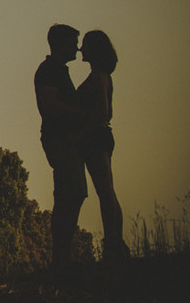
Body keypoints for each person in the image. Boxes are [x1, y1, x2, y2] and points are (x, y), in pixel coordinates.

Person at [34, 23, 87, 271]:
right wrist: (79, 113)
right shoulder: (49, 70)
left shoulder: (58, 70)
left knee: (72, 193)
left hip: (65, 139)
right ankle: (62, 257)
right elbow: (50, 105)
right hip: (59, 139)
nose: (77, 48)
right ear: (61, 43)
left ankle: (63, 255)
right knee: (70, 192)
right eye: (72, 42)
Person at [76, 29, 130, 262]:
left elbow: (103, 112)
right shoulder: (102, 77)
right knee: (107, 191)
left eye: (85, 45)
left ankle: (113, 246)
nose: (81, 49)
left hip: (95, 138)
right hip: (99, 136)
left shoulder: (98, 78)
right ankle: (115, 244)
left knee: (105, 192)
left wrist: (79, 134)